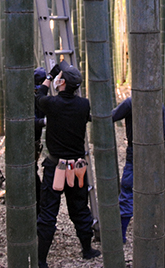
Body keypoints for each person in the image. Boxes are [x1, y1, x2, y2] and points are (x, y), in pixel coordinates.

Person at [35, 61, 100, 267]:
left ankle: (41, 259)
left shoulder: (52, 105)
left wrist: (49, 76)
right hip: (77, 166)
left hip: (55, 167)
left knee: (48, 212)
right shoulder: (84, 105)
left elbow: (39, 97)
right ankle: (87, 249)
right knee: (80, 208)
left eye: (58, 78)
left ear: (61, 82)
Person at [112, 96, 165, 243]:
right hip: (156, 152)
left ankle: (119, 236)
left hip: (137, 153)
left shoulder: (131, 102)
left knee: (127, 191)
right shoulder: (158, 101)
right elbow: (164, 133)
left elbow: (111, 117)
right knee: (159, 190)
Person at [34, 67, 48, 215]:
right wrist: (43, 121)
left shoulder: (43, 98)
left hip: (35, 141)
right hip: (27, 141)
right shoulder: (28, 97)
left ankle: (39, 208)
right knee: (31, 172)